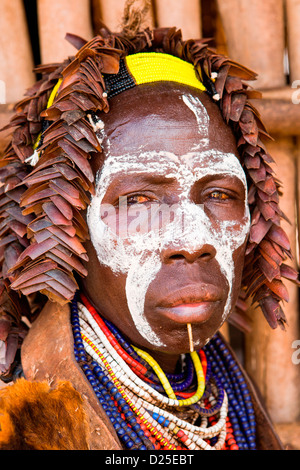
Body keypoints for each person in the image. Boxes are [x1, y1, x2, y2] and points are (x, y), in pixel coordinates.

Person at [0, 7, 298, 451]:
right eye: (138, 200)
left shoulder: (223, 387)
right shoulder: (25, 426)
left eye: (218, 194)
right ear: (65, 227)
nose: (193, 240)